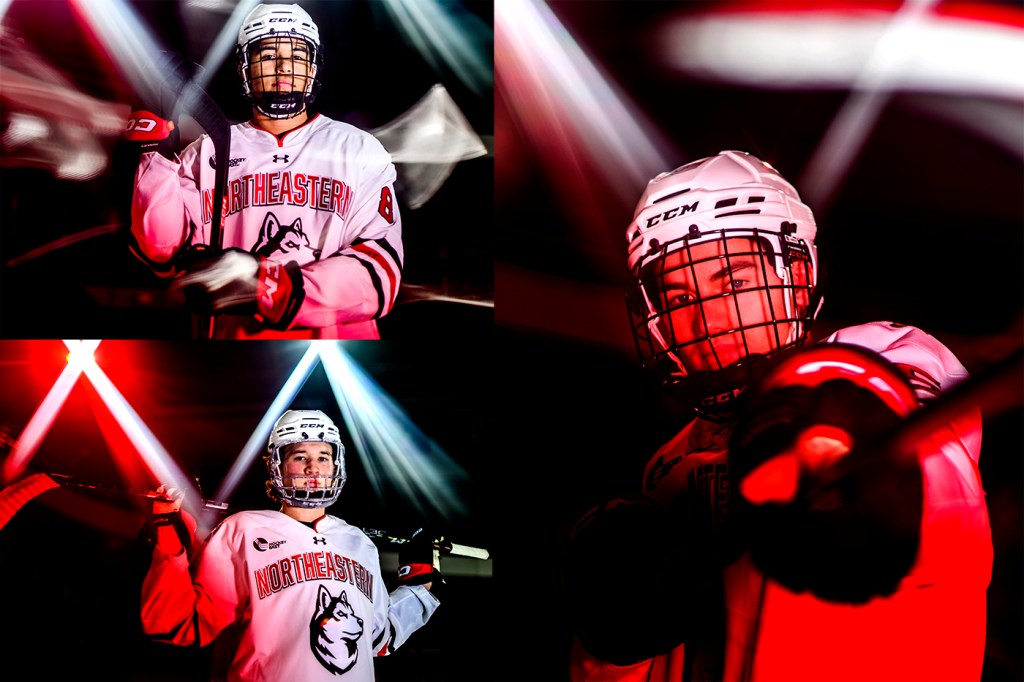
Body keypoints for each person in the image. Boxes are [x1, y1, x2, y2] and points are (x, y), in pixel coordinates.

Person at [564, 150, 993, 681]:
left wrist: (831, 435)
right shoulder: (667, 470)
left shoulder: (874, 373)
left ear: (794, 274)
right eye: (678, 297)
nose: (708, 320)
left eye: (734, 283)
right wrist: (605, 646)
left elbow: (908, 424)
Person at [125, 3, 403, 339]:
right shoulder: (207, 150)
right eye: (269, 55)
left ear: (313, 67)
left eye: (298, 56)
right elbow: (163, 250)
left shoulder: (359, 149)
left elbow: (380, 274)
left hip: (336, 347)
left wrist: (268, 284)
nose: (285, 66)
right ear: (245, 67)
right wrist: (155, 152)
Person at [140, 409, 441, 681]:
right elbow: (179, 625)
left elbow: (376, 639)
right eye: (300, 456)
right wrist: (169, 537)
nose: (314, 468)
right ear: (277, 465)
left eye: (323, 456)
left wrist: (417, 586)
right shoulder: (242, 530)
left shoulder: (360, 544)